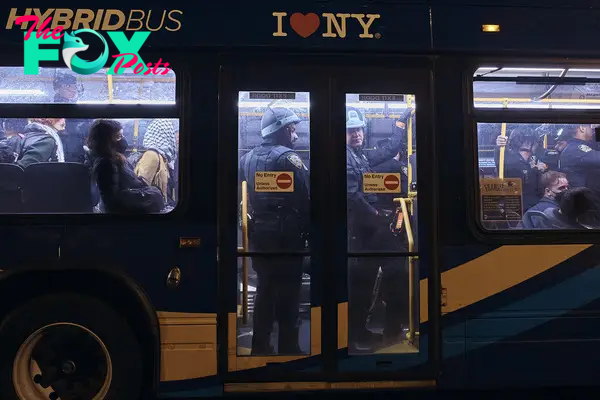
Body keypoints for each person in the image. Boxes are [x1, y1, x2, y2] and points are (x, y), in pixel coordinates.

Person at [239, 106, 310, 355]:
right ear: (281, 130)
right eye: (292, 129)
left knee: (265, 291)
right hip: (287, 237)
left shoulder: (246, 159)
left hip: (259, 236)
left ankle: (260, 345)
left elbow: (242, 196)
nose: (295, 134)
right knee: (289, 293)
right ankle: (289, 347)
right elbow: (305, 197)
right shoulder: (289, 158)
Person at [346, 107, 412, 352]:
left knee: (370, 279)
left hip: (369, 228)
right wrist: (377, 216)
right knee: (373, 278)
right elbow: (353, 197)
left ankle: (369, 331)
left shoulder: (359, 156)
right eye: (351, 131)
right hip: (363, 230)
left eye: (359, 129)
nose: (356, 134)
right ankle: (373, 332)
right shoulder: (347, 158)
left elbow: (389, 149)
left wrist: (400, 125)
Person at [88, 119, 164, 214]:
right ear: (106, 141)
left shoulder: (116, 158)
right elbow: (112, 200)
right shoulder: (106, 163)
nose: (123, 140)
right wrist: (147, 195)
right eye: (119, 137)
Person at [495, 127, 546, 210]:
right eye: (536, 142)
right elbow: (526, 185)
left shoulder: (529, 162)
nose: (537, 145)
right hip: (520, 207)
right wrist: (499, 146)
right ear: (528, 143)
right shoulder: (511, 162)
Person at [134, 119, 177, 205]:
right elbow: (141, 190)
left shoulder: (165, 158)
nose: (174, 138)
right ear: (164, 134)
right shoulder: (151, 156)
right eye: (172, 132)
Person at [53, 71, 90, 163]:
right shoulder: (55, 106)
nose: (72, 89)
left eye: (74, 86)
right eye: (68, 86)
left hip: (76, 148)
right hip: (66, 148)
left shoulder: (76, 107)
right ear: (58, 88)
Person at [558, 124, 600, 195]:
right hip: (582, 198)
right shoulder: (577, 149)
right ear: (582, 128)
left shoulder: (573, 146)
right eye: (590, 127)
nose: (593, 130)